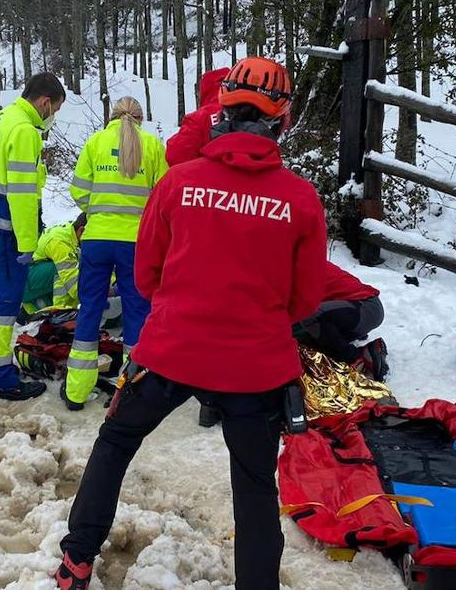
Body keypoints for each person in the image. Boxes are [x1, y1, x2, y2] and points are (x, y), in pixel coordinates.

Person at [54, 57, 328, 590]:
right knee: (253, 489)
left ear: (219, 112)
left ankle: (76, 562)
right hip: (256, 368)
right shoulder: (299, 199)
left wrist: (187, 308)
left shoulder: (180, 182)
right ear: (282, 120)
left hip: (170, 352)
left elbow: (147, 274)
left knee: (114, 443)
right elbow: (304, 300)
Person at [0, 72, 65, 401]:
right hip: (2, 232)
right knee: (3, 304)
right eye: (56, 110)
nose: (53, 118)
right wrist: (27, 243)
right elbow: (21, 195)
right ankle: (0, 377)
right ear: (44, 102)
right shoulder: (24, 132)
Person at [63, 97, 168, 411]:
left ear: (111, 116)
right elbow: (164, 194)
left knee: (90, 309)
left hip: (95, 239)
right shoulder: (152, 145)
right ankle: (129, 394)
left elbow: (78, 189)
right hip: (136, 243)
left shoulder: (95, 141)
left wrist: (97, 211)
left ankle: (76, 392)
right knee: (136, 312)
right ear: (140, 118)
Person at [197, 260, 386, 428]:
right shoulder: (282, 270)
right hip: (347, 314)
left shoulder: (296, 272)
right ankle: (354, 348)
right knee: (299, 336)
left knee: (309, 317)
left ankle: (355, 357)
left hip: (365, 307)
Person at [22, 213, 88, 318]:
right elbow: (72, 283)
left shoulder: (70, 236)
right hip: (24, 282)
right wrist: (97, 298)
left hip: (32, 281)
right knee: (66, 270)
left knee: (74, 267)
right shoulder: (60, 242)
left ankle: (33, 309)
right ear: (81, 230)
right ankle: (61, 313)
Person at [165, 66, 230, 166]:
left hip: (207, 179)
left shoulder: (199, 118)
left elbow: (176, 155)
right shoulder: (248, 112)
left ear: (204, 89)